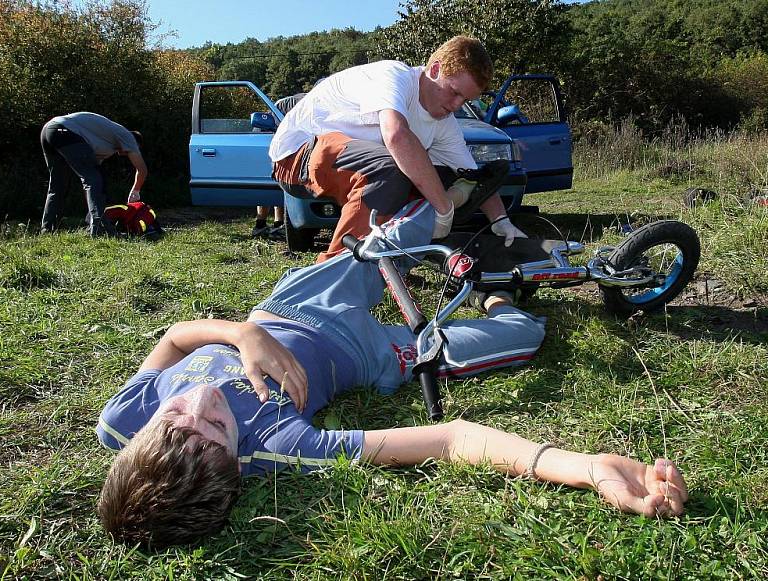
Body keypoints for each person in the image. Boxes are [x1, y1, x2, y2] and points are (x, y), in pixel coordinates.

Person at [96, 199, 688, 547]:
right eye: (218, 428)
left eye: (175, 415)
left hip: (289, 307)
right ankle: (492, 295)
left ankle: (471, 209)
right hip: (368, 351)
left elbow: (174, 339)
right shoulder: (283, 448)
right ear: (237, 462)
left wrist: (241, 333)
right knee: (523, 334)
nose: (201, 403)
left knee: (409, 220)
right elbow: (452, 439)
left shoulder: (121, 420)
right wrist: (585, 469)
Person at [269, 35, 527, 263]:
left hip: (343, 162)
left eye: (466, 100)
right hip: (296, 157)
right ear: (435, 69)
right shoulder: (394, 76)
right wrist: (444, 208)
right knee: (393, 168)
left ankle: (389, 261)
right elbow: (396, 135)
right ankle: (332, 274)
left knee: (434, 178)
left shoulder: (444, 124)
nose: (457, 105)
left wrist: (501, 221)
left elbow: (471, 176)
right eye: (454, 92)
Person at [40, 112, 147, 237]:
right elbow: (142, 169)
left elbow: (89, 184)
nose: (126, 154)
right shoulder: (128, 136)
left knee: (58, 185)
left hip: (49, 130)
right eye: (134, 149)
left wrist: (90, 211)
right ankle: (100, 229)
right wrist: (136, 191)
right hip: (64, 131)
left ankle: (48, 229)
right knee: (94, 180)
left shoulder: (105, 146)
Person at [252, 94, 306, 240]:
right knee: (272, 184)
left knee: (279, 185)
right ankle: (261, 225)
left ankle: (275, 224)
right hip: (272, 145)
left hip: (282, 147)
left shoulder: (299, 102)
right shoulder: (287, 105)